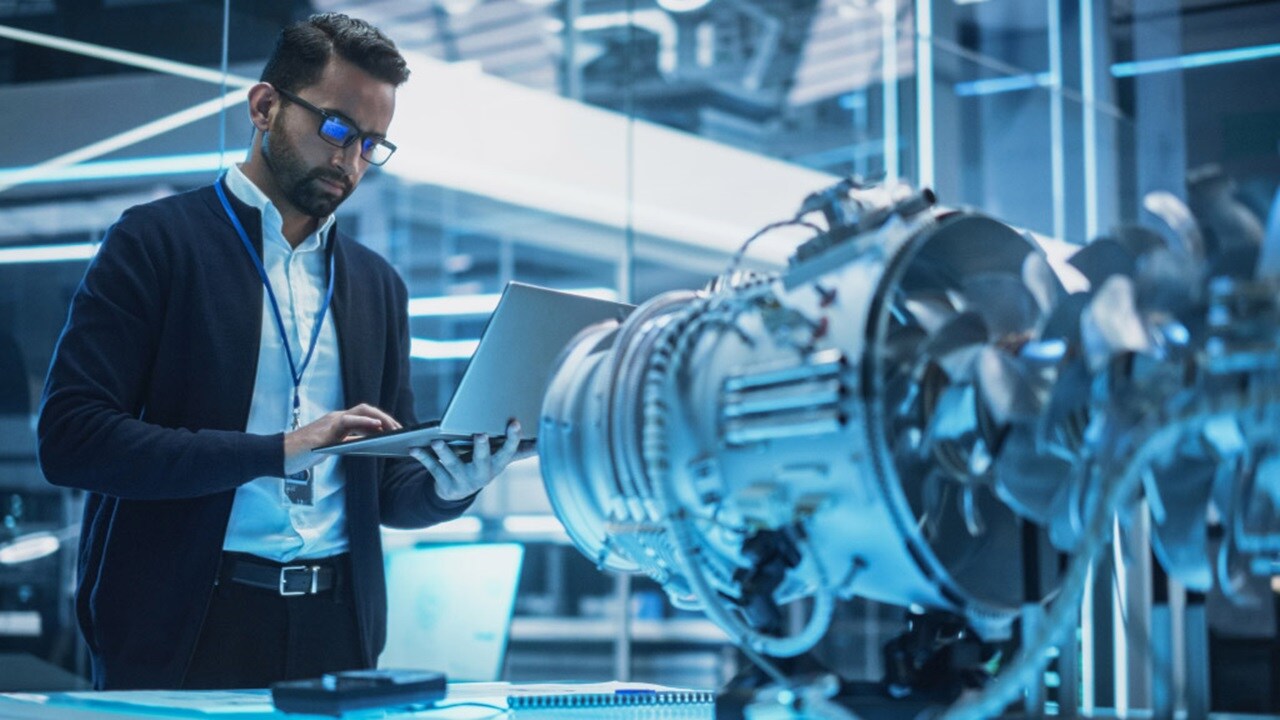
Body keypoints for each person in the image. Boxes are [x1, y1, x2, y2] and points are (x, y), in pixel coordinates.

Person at [37, 13, 523, 691]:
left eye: (371, 145)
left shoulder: (378, 285)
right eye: (336, 130)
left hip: (336, 630)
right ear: (265, 107)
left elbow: (384, 489)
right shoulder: (154, 243)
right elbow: (73, 441)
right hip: (188, 627)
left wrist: (451, 487)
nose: (350, 162)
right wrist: (279, 449)